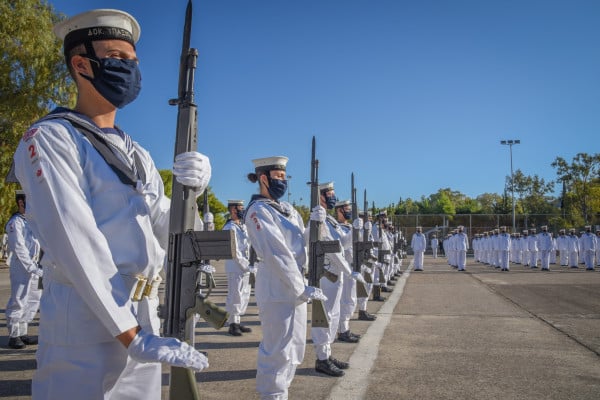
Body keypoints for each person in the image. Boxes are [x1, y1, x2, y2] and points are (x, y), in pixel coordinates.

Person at [10, 9, 210, 399]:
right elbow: (75, 241)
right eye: (117, 58)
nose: (130, 69)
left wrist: (193, 197)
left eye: (133, 61)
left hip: (143, 320)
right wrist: (129, 334)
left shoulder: (137, 153)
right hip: (86, 327)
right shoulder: (52, 138)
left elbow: (169, 234)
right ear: (82, 64)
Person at [244, 156, 326, 399]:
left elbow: (301, 243)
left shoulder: (287, 209)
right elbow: (276, 253)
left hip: (295, 286)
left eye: (284, 177)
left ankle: (281, 394)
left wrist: (315, 224)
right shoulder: (257, 211)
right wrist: (301, 287)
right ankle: (271, 395)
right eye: (278, 177)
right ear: (263, 178)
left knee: (295, 349)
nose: (283, 182)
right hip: (276, 287)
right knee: (277, 351)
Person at [307, 182, 361, 377]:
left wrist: (354, 230)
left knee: (334, 315)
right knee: (324, 317)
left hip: (335, 275)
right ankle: (321, 359)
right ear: (320, 195)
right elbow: (331, 249)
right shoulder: (317, 219)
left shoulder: (330, 221)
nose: (333, 195)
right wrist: (348, 269)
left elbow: (341, 244)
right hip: (326, 274)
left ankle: (327, 354)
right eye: (330, 192)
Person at [4, 191, 43, 349]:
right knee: (19, 300)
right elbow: (19, 248)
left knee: (33, 300)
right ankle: (14, 335)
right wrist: (31, 268)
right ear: (21, 203)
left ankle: (23, 332)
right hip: (22, 266)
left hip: (35, 267)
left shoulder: (32, 221)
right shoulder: (15, 223)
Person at [333, 200, 366, 342]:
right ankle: (342, 330)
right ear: (339, 210)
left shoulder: (348, 226)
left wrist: (360, 230)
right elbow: (344, 244)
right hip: (343, 268)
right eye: (346, 208)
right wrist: (354, 230)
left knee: (351, 299)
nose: (348, 210)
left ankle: (345, 328)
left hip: (353, 266)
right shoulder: (336, 227)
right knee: (345, 300)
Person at [223, 200, 253, 336]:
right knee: (235, 295)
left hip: (245, 266)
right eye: (241, 208)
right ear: (233, 210)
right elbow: (234, 250)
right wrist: (245, 264)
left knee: (244, 294)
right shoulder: (230, 227)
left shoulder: (242, 226)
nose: (243, 210)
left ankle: (238, 321)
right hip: (235, 266)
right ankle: (232, 324)